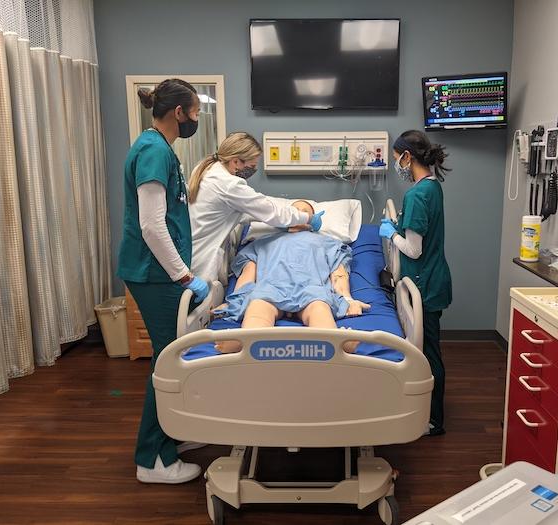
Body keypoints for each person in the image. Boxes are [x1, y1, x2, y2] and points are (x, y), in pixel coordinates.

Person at [118, 78, 209, 484]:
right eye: (194, 111)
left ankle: (169, 436)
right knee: (167, 359)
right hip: (153, 274)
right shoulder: (153, 150)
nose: (196, 117)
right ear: (179, 113)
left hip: (156, 272)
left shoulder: (158, 147)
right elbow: (152, 226)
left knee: (169, 357)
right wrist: (185, 276)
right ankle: (151, 459)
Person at [214, 201, 370, 353]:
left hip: (312, 289)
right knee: (258, 308)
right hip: (270, 288)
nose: (299, 213)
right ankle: (246, 341)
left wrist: (348, 300)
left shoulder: (328, 243)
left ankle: (335, 343)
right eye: (294, 210)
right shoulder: (261, 243)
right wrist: (235, 301)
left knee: (319, 309)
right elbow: (248, 275)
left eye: (305, 211)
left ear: (314, 219)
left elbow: (339, 274)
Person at [379, 130, 453, 436]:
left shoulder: (417, 195)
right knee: (429, 350)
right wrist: (396, 225)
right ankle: (428, 412)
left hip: (424, 283)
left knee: (428, 354)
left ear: (407, 157)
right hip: (430, 277)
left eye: (397, 157)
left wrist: (390, 233)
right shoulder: (431, 187)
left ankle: (433, 420)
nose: (397, 163)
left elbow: (413, 249)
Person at [187, 133, 324, 284]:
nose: (254, 169)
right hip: (202, 260)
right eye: (252, 166)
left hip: (192, 250)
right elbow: (271, 212)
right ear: (236, 161)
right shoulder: (229, 185)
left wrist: (283, 223)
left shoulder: (209, 169)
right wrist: (308, 218)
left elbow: (248, 210)